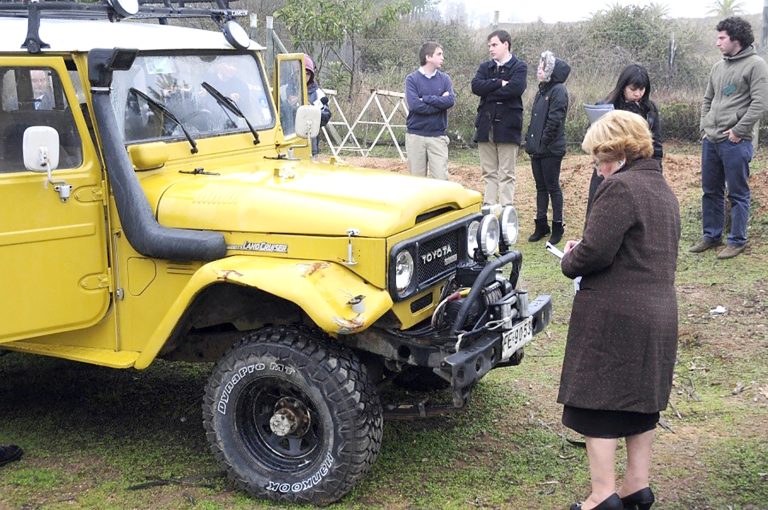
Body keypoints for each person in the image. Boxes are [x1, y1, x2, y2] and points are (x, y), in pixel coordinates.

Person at [559, 110, 680, 510]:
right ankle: (636, 487)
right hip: (659, 311)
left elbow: (594, 253)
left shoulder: (620, 188)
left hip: (617, 314)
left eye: (600, 159)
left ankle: (602, 495)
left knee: (598, 401)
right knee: (641, 400)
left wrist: (571, 257)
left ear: (619, 153)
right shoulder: (663, 189)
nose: (598, 169)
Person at [690, 16, 768, 259]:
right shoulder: (718, 67)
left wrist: (738, 131)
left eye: (722, 38)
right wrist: (705, 127)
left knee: (737, 192)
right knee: (710, 190)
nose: (717, 42)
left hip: (735, 141)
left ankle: (737, 240)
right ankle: (712, 236)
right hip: (711, 139)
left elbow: (760, 103)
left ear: (737, 39)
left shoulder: (756, 65)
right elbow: (707, 99)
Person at [586, 64, 663, 218]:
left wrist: (657, 171)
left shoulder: (650, 110)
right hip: (608, 169)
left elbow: (656, 144)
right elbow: (593, 139)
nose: (638, 94)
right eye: (633, 89)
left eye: (642, 89)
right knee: (599, 213)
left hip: (637, 172)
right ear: (623, 86)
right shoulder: (605, 107)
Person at [471, 29, 527, 207]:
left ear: (506, 44)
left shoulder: (519, 67)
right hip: (485, 126)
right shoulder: (485, 67)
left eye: (494, 45)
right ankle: (489, 207)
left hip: (508, 128)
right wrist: (498, 83)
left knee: (506, 173)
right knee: (488, 172)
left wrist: (489, 94)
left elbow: (515, 89)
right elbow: (476, 86)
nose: (490, 49)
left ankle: (505, 210)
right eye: (489, 46)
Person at [524, 50, 570, 245]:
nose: (538, 70)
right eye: (538, 67)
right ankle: (541, 224)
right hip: (537, 149)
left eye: (542, 68)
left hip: (551, 149)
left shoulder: (558, 91)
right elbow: (535, 120)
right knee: (540, 187)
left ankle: (558, 225)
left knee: (552, 186)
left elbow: (554, 121)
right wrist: (530, 141)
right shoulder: (541, 91)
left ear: (551, 71)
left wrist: (543, 143)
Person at [404, 41, 455, 180]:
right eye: (439, 54)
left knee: (441, 180)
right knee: (417, 181)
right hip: (415, 136)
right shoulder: (411, 79)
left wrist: (426, 99)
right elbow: (415, 106)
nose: (443, 57)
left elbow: (450, 101)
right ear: (428, 57)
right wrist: (440, 102)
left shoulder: (445, 79)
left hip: (438, 136)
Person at [304, 55, 331, 158]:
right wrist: (288, 105)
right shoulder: (283, 91)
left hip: (310, 145)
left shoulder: (318, 94)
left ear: (311, 75)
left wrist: (313, 110)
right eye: (301, 72)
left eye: (307, 73)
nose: (304, 76)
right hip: (286, 143)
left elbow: (326, 116)